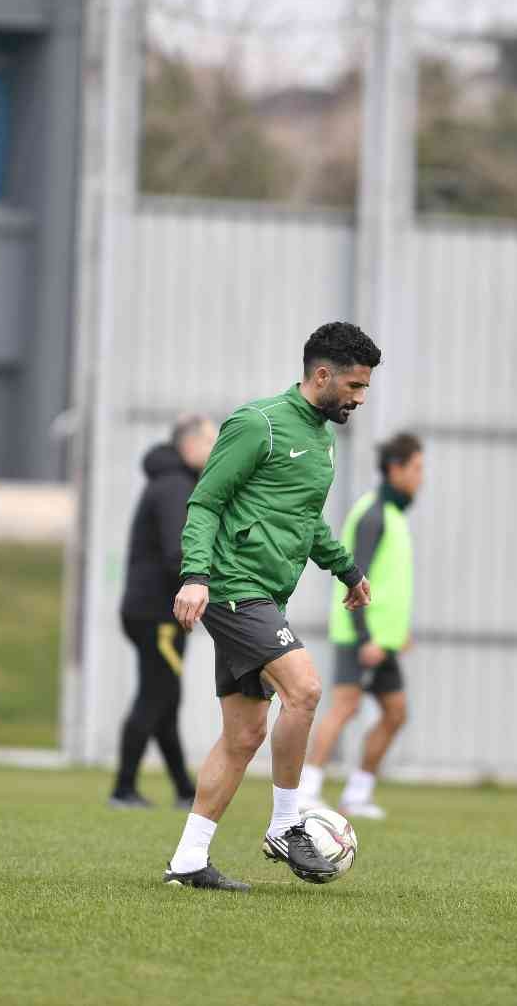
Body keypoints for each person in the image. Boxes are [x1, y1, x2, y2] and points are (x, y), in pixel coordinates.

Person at [162, 322, 382, 891]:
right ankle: (287, 825)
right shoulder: (256, 424)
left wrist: (347, 569)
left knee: (243, 736)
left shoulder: (322, 438)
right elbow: (205, 502)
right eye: (355, 386)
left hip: (266, 595)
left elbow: (304, 521)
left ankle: (188, 861)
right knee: (305, 690)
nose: (361, 398)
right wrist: (195, 576)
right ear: (323, 375)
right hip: (234, 587)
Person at [299, 432, 425, 820]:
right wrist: (366, 636)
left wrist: (395, 632)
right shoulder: (372, 515)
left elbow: (391, 583)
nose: (421, 477)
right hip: (360, 635)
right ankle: (306, 790)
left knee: (396, 713)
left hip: (383, 639)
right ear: (395, 469)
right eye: (417, 468)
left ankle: (357, 794)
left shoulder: (394, 515)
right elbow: (356, 576)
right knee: (345, 707)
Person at [109, 415, 219, 810]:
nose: (216, 448)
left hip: (148, 611)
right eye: (211, 440)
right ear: (189, 445)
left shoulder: (169, 481)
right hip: (156, 614)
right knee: (156, 695)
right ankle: (123, 789)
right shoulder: (175, 487)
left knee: (165, 699)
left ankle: (183, 790)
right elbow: (180, 554)